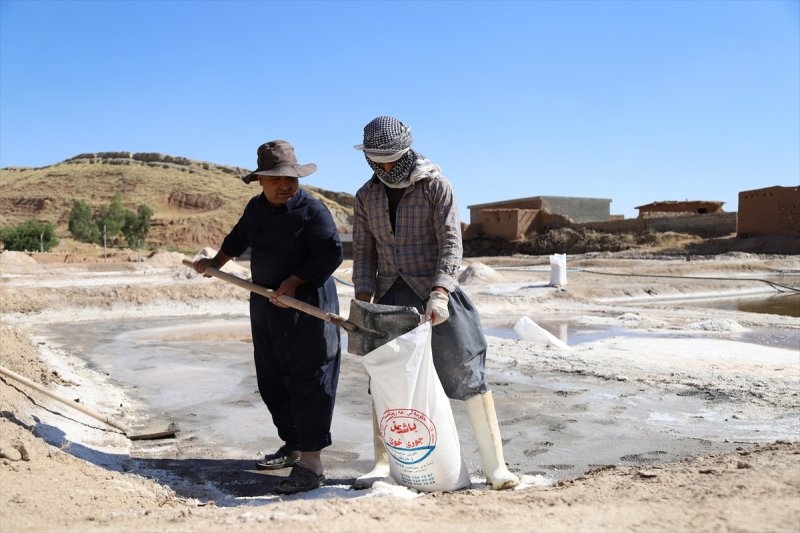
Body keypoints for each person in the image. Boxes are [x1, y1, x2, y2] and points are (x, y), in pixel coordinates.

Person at [351, 116, 520, 490]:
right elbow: (364, 253)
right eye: (378, 161)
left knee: (465, 370)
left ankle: (496, 467)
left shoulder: (435, 186)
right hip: (391, 297)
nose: (386, 168)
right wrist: (363, 300)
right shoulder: (366, 197)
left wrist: (441, 291)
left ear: (407, 151)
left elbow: (451, 243)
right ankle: (383, 463)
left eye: (393, 159)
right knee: (386, 380)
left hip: (436, 295)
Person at [191, 140, 343, 495]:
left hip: (307, 308)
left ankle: (311, 463)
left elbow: (330, 254)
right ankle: (291, 446)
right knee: (273, 380)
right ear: (260, 180)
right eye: (275, 179)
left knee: (311, 381)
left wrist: (294, 281)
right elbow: (236, 239)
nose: (284, 184)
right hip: (265, 306)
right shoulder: (255, 209)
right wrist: (216, 263)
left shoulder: (313, 211)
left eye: (290, 177)